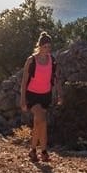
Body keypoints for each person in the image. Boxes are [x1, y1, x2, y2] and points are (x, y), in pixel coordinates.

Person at [19, 32, 62, 162]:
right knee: (42, 120)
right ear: (39, 46)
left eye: (49, 47)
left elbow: (56, 78)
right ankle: (44, 151)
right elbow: (24, 81)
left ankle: (33, 150)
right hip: (32, 95)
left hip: (46, 95)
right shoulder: (31, 60)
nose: (47, 49)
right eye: (45, 46)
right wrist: (22, 99)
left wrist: (60, 94)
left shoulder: (52, 60)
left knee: (38, 123)